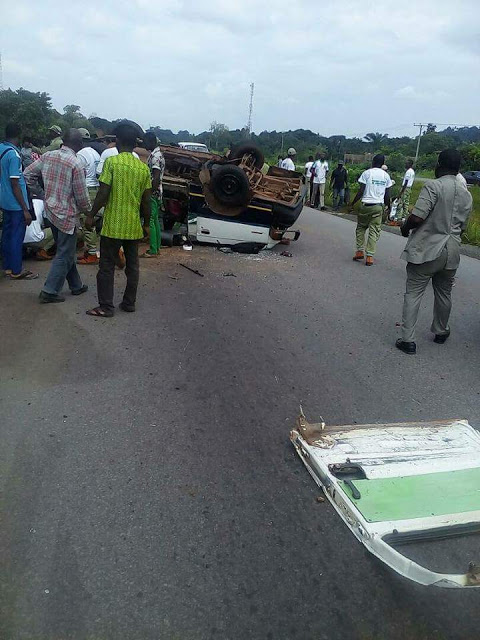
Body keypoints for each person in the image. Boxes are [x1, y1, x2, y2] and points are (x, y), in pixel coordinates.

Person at [395, 149, 473, 355]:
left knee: (414, 293)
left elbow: (417, 217)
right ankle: (441, 330)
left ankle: (407, 340)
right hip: (452, 251)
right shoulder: (466, 194)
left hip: (427, 249)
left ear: (439, 165)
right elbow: (463, 227)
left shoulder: (433, 186)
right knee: (444, 293)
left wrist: (405, 227)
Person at [85, 123, 152, 318]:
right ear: (134, 144)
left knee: (106, 266)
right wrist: (146, 224)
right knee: (133, 266)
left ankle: (106, 307)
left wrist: (91, 215)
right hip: (133, 225)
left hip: (113, 225)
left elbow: (103, 193)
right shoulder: (143, 169)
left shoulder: (112, 163)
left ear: (118, 141)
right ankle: (129, 303)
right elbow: (147, 201)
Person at [25, 129, 91, 302]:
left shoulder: (48, 156)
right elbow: (82, 197)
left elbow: (27, 174)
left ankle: (76, 285)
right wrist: (89, 213)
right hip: (67, 216)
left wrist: (42, 194)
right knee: (64, 253)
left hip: (51, 211)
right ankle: (49, 291)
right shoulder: (76, 164)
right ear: (78, 144)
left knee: (66, 251)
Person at [0, 123, 37, 280]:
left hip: (4, 200)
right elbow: (15, 183)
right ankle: (16, 270)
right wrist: (25, 209)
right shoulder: (14, 155)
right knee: (16, 236)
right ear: (19, 136)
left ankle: (7, 267)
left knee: (7, 234)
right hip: (16, 203)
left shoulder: (1, 149)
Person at [350, 154, 392, 266]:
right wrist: (388, 206)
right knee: (374, 230)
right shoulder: (386, 176)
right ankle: (369, 257)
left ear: (373, 162)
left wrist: (353, 202)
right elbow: (387, 194)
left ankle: (359, 251)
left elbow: (361, 190)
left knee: (361, 227)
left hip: (365, 205)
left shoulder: (367, 173)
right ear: (383, 163)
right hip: (378, 206)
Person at [77, 128, 101, 264]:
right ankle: (90, 250)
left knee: (87, 221)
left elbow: (79, 174)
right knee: (92, 221)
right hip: (95, 188)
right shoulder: (94, 153)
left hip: (86, 189)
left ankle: (92, 253)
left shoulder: (81, 154)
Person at [142, 131, 165, 258]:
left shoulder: (155, 157)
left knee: (150, 219)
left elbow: (155, 176)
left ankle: (153, 250)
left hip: (153, 192)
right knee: (155, 220)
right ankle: (157, 247)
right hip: (158, 191)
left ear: (151, 142)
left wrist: (150, 191)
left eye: (145, 142)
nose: (144, 145)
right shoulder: (159, 154)